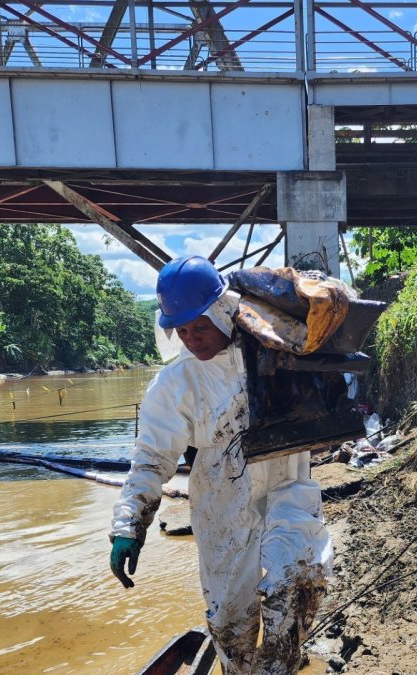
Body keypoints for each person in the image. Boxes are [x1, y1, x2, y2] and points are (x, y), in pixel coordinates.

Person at [109, 255, 332, 674]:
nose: (192, 339)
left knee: (295, 588)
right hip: (223, 506)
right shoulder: (175, 384)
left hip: (288, 490)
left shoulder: (275, 351)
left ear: (222, 311)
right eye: (182, 330)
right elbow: (152, 457)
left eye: (200, 327)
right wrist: (130, 524)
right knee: (230, 620)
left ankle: (284, 665)